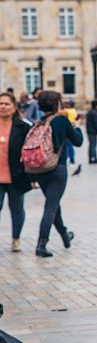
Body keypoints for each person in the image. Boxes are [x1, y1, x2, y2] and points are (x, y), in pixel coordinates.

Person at [33, 91, 83, 257]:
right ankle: (41, 244)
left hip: (40, 169)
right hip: (57, 168)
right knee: (51, 206)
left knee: (53, 203)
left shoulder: (38, 123)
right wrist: (75, 126)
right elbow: (78, 141)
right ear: (57, 104)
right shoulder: (61, 120)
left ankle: (64, 234)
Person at [0, 93, 32, 252]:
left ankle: (16, 238)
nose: (3, 106)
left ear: (13, 107)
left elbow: (29, 153)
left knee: (17, 208)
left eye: (6, 104)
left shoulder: (23, 127)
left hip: (16, 175)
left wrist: (32, 176)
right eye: (0, 104)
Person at [64, 99, 78, 165]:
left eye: (67, 103)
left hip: (67, 128)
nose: (65, 104)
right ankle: (72, 159)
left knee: (67, 145)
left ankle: (67, 158)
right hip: (72, 127)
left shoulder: (66, 111)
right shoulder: (74, 111)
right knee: (70, 145)